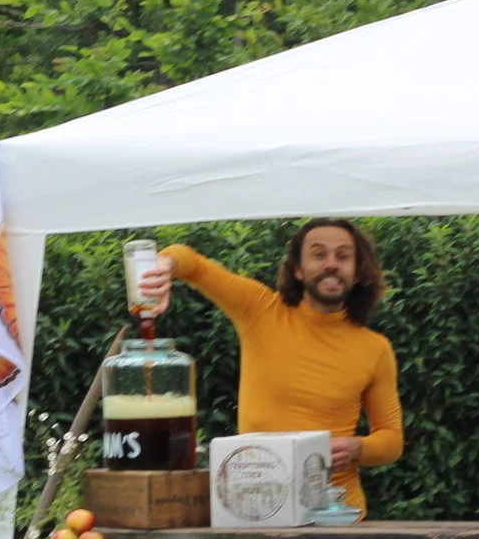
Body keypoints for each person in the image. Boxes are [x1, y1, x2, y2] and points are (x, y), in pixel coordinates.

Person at [139, 219, 403, 512]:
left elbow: (391, 440)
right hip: (258, 513)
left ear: (357, 273)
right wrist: (165, 266)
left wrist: (358, 448)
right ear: (297, 269)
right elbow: (195, 265)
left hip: (336, 517)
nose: (331, 264)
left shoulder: (375, 348)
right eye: (318, 254)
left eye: (343, 256)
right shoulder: (260, 310)